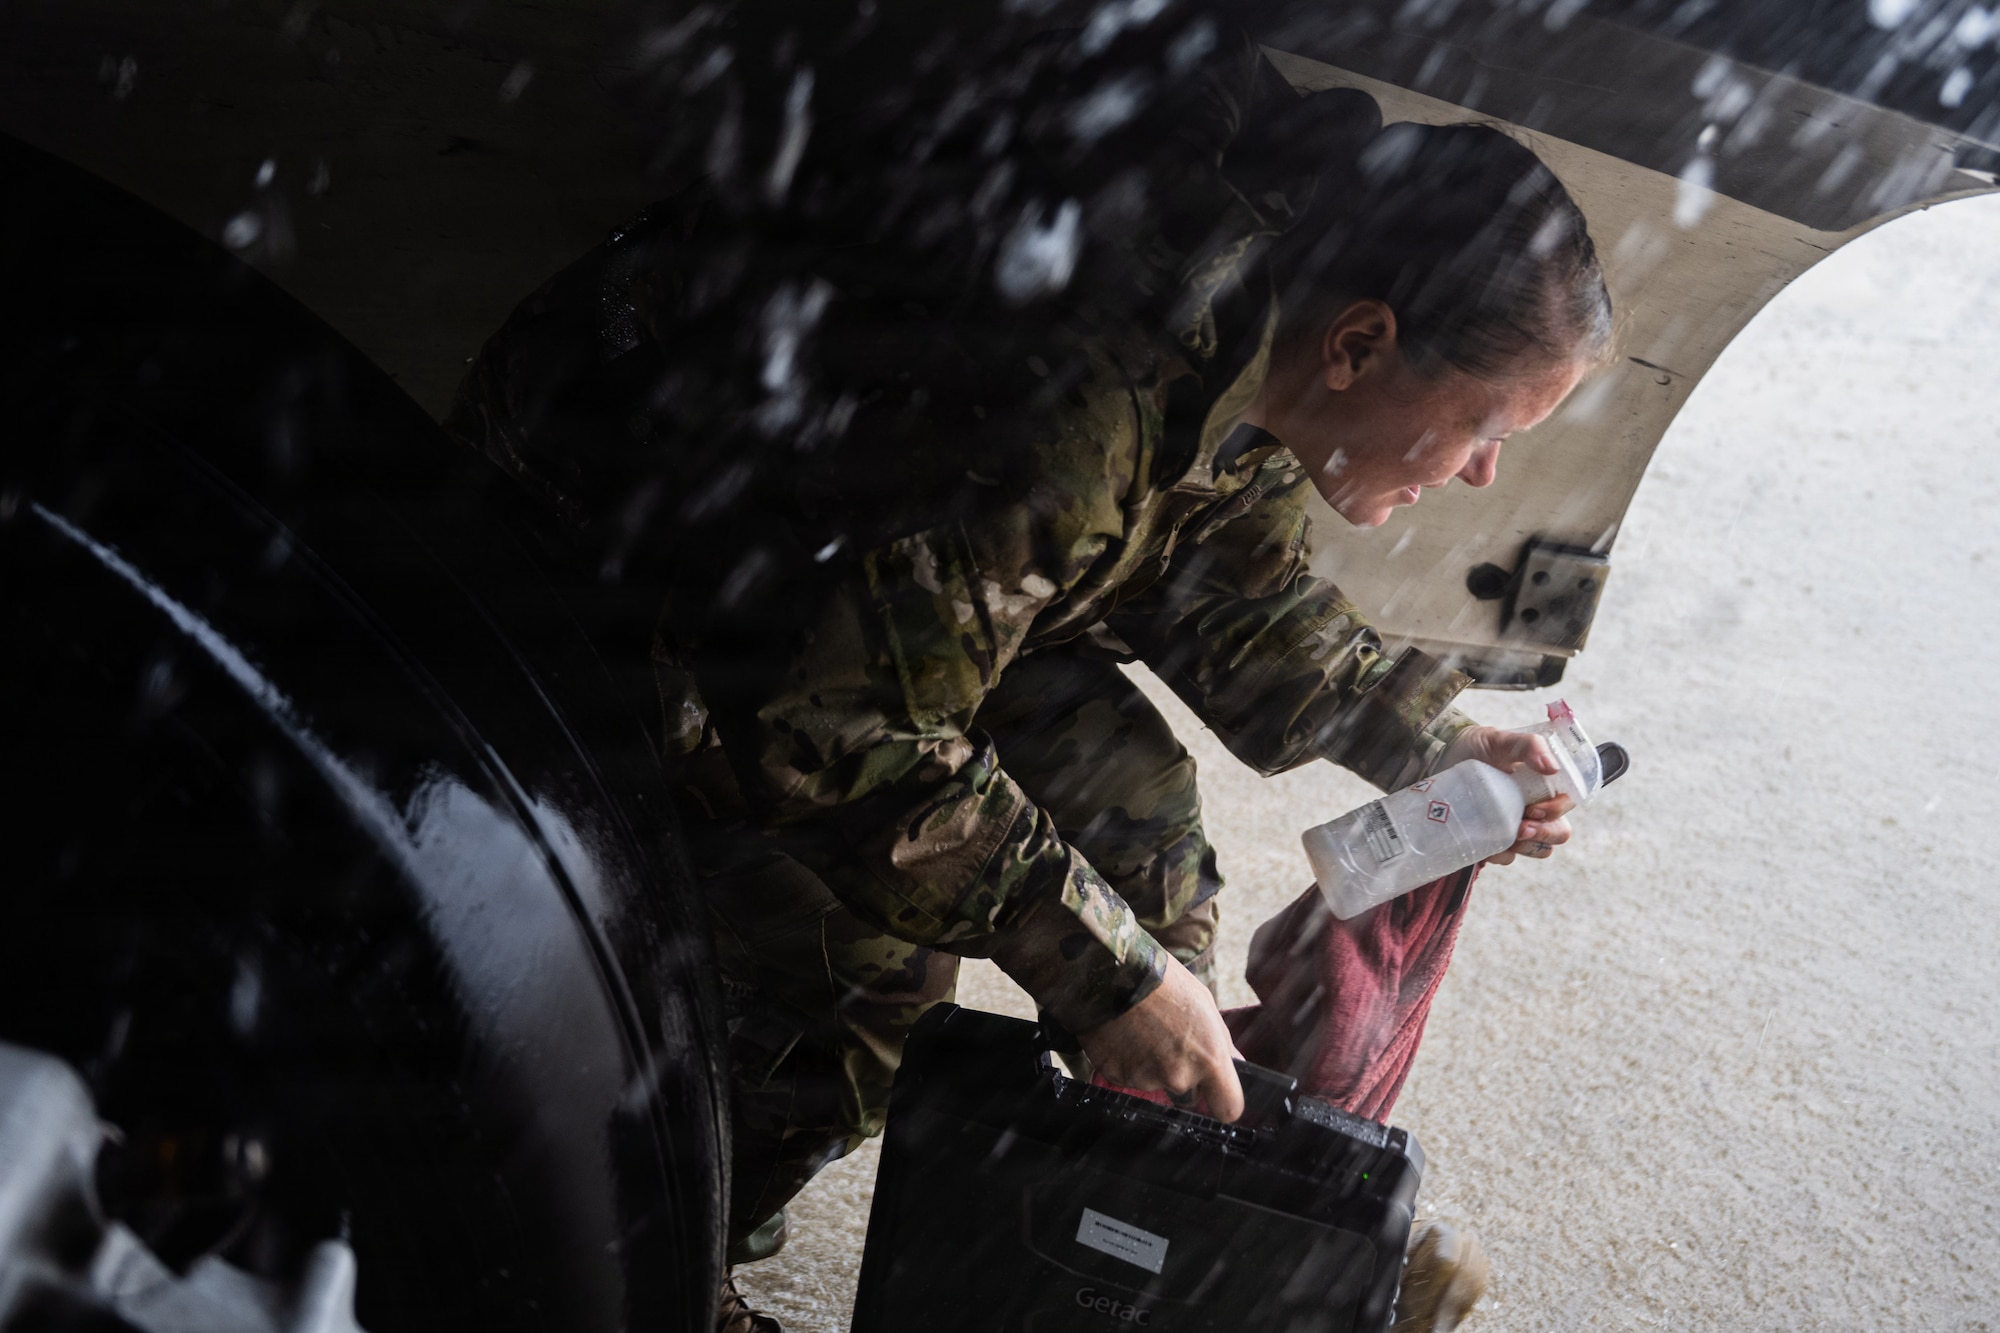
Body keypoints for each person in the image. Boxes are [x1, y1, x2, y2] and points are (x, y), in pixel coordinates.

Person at [449, 25, 1611, 1332]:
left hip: (880, 570)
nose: (1482, 475)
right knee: (849, 980)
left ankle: (1166, 1193)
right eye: (1489, 426)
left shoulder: (1275, 275)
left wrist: (1436, 744)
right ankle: (645, 1267)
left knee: (1145, 848)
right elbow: (825, 726)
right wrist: (1104, 980)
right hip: (633, 568)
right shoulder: (1075, 390)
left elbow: (1231, 588)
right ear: (1360, 344)